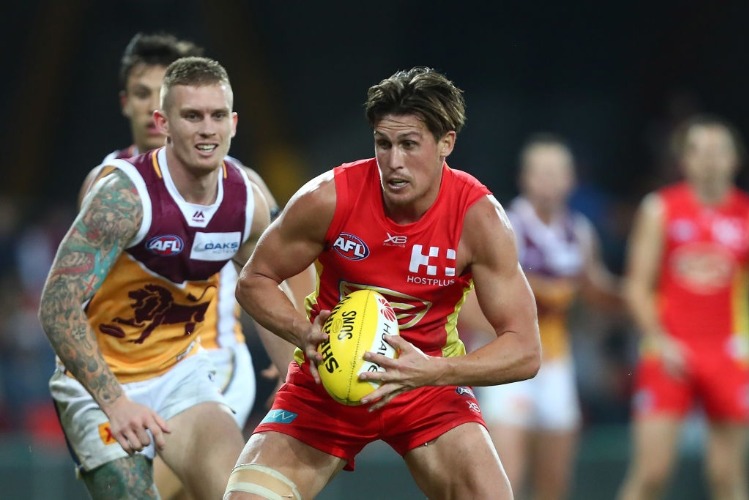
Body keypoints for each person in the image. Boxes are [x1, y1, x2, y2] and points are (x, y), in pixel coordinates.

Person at [226, 66, 542, 499]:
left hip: (427, 384)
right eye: (383, 144)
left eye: (409, 145)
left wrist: (436, 370)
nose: (393, 162)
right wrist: (305, 333)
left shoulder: (479, 220)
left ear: (446, 143)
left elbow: (525, 349)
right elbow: (254, 279)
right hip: (327, 383)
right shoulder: (328, 197)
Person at [76, 33, 313, 499]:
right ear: (129, 103)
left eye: (162, 91)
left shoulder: (242, 188)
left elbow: (285, 271)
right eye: (142, 93)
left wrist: (294, 363)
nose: (151, 107)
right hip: (126, 371)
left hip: (213, 362)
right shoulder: (106, 187)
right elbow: (78, 300)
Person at [39, 56, 269, 499]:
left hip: (180, 371)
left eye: (217, 115)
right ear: (163, 122)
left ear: (234, 122)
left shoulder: (246, 201)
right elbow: (56, 305)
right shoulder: (122, 196)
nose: (207, 129)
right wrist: (115, 403)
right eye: (192, 116)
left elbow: (264, 285)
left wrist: (295, 363)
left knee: (241, 493)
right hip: (100, 380)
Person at [462, 134, 621, 500]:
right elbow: (469, 302)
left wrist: (644, 296)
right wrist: (518, 327)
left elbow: (595, 288)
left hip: (554, 364)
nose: (549, 181)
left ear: (571, 180)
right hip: (507, 360)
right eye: (541, 173)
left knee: (555, 483)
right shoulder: (505, 226)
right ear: (525, 179)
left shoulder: (578, 232)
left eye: (557, 173)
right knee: (507, 477)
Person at [618, 115, 749, 500]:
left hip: (728, 352)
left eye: (719, 149)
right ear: (684, 160)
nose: (709, 158)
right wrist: (661, 339)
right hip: (669, 349)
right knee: (652, 472)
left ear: (735, 159)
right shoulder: (660, 209)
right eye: (698, 149)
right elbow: (637, 286)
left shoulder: (746, 215)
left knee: (727, 475)